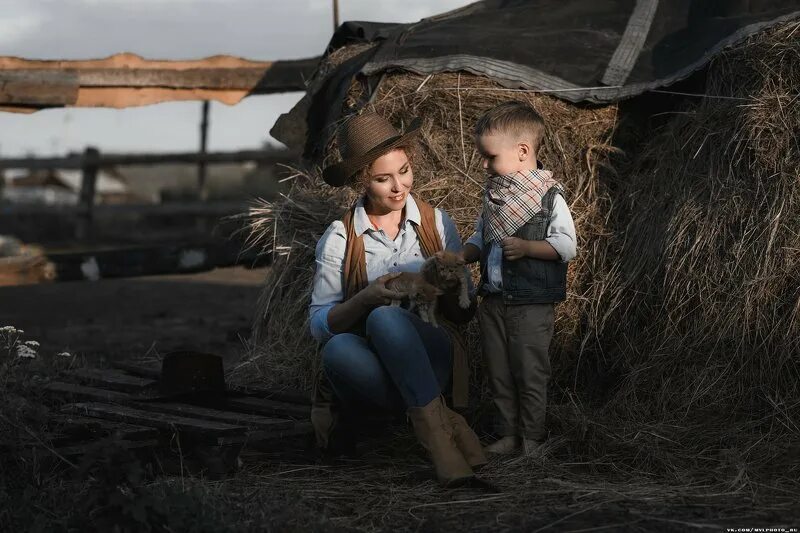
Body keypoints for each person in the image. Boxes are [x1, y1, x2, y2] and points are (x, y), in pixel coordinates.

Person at [309, 111, 486, 486]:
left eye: (404, 171)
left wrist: (445, 283)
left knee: (385, 320)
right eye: (382, 179)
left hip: (432, 350)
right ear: (361, 181)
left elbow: (464, 313)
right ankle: (447, 431)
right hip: (374, 366)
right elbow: (319, 324)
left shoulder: (437, 224)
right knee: (338, 349)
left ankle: (439, 445)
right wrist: (366, 298)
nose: (398, 187)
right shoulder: (340, 238)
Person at [462, 101, 577, 456]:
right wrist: (460, 257)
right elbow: (481, 238)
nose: (484, 165)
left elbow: (565, 246)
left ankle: (531, 438)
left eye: (490, 157)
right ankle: (507, 433)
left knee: (529, 372)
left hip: (530, 305)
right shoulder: (495, 198)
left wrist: (528, 247)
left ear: (522, 152)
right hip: (494, 301)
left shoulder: (548, 198)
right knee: (499, 371)